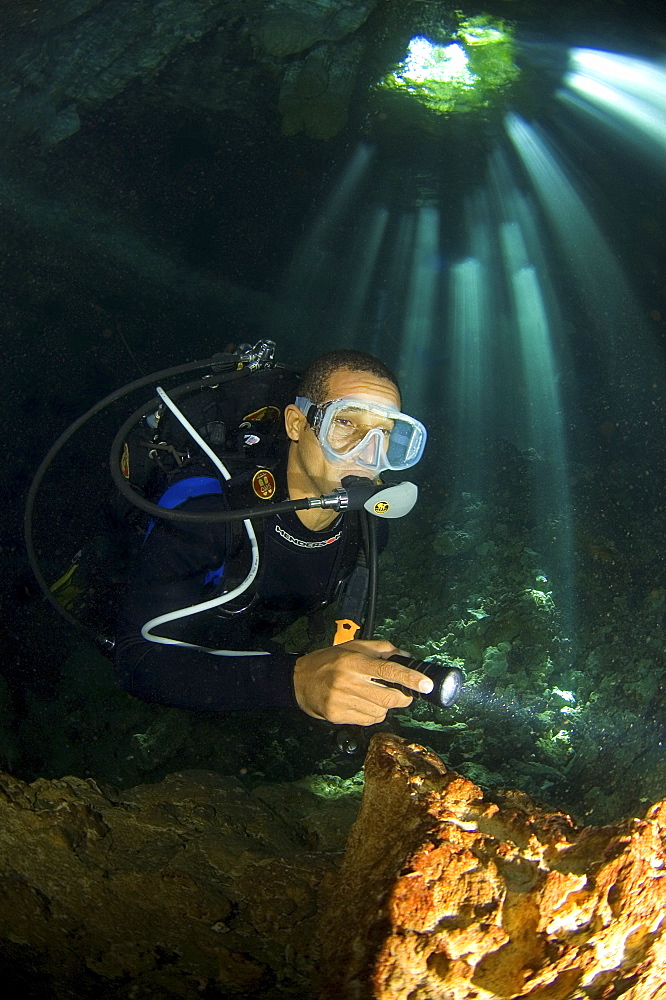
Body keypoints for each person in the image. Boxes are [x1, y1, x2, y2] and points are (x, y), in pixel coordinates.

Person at [114, 349, 434, 725]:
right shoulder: (211, 510)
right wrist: (294, 681)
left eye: (388, 437)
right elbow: (136, 659)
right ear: (297, 424)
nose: (369, 456)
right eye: (346, 423)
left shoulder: (369, 529)